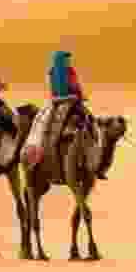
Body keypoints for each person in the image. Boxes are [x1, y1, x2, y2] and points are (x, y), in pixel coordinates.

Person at [49, 50, 104, 178]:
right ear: (59, 60)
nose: (68, 61)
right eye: (66, 59)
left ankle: (96, 161)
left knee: (91, 122)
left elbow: (76, 85)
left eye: (69, 59)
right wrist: (68, 97)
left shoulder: (71, 71)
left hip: (75, 102)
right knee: (55, 130)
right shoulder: (52, 73)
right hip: (61, 103)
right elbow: (53, 95)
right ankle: (52, 158)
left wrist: (81, 95)